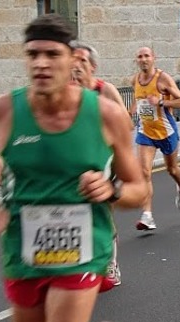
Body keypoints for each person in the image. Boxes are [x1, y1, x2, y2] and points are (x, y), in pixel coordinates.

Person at [0, 14, 147, 322]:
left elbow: (139, 190)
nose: (41, 64)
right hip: (22, 249)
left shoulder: (106, 114)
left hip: (84, 247)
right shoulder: (3, 112)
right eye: (33, 55)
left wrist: (110, 190)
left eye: (52, 55)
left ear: (73, 60)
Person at [69, 40, 128, 287]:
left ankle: (110, 264)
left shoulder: (105, 91)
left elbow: (125, 125)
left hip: (105, 160)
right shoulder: (62, 92)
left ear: (93, 66)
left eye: (82, 61)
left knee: (103, 211)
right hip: (73, 162)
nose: (76, 66)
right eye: (72, 60)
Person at [130, 47, 180, 231]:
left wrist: (162, 102)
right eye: (140, 56)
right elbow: (139, 102)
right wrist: (130, 113)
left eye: (146, 56)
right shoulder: (135, 80)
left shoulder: (162, 79)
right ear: (137, 60)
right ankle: (147, 216)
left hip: (166, 132)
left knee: (172, 169)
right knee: (144, 173)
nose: (143, 59)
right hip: (145, 132)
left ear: (153, 58)